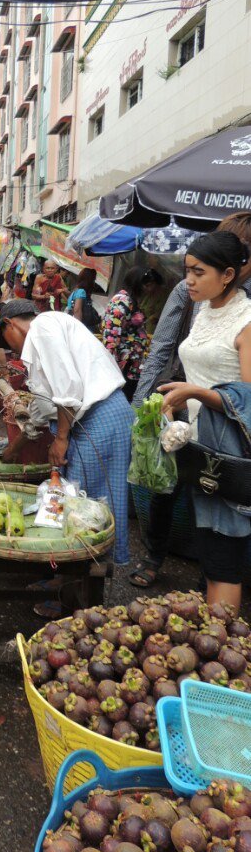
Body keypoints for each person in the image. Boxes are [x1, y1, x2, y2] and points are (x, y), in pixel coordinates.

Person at [129, 214, 251, 589]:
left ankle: (212, 576)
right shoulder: (190, 292)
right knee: (167, 487)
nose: (192, 277)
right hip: (182, 406)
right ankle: (154, 555)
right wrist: (141, 407)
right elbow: (163, 346)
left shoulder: (242, 306)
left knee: (217, 497)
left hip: (225, 425)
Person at [0, 299, 133, 566]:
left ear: (9, 325)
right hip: (106, 415)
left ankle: (82, 580)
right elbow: (45, 405)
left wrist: (60, 439)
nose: (11, 350)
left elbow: (68, 391)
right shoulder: (50, 328)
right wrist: (13, 449)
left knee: (86, 509)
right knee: (90, 501)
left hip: (99, 418)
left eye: (5, 341)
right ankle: (80, 580)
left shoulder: (43, 328)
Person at [159, 232, 251, 612]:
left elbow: (249, 397)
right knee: (211, 557)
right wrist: (174, 404)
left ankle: (223, 654)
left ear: (228, 274)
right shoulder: (205, 310)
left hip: (231, 456)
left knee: (224, 562)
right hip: (203, 449)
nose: (189, 281)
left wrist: (194, 392)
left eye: (199, 272)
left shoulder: (246, 321)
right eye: (186, 271)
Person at [101, 267, 157, 402]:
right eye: (147, 285)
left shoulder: (132, 301)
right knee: (120, 398)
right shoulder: (121, 301)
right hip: (121, 362)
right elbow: (111, 334)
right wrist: (111, 366)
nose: (149, 290)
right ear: (137, 283)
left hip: (131, 361)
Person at [66, 267, 100, 331]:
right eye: (93, 280)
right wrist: (80, 329)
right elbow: (77, 310)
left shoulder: (76, 290)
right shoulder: (81, 291)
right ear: (89, 280)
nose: (94, 282)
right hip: (81, 328)